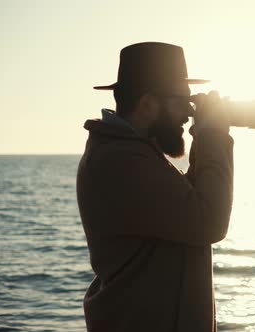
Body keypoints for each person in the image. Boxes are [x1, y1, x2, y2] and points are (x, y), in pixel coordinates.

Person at [76, 42, 233, 332]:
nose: (189, 112)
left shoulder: (128, 152)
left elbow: (186, 204)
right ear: (148, 103)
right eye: (182, 100)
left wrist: (206, 135)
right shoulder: (122, 160)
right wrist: (213, 134)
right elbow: (208, 220)